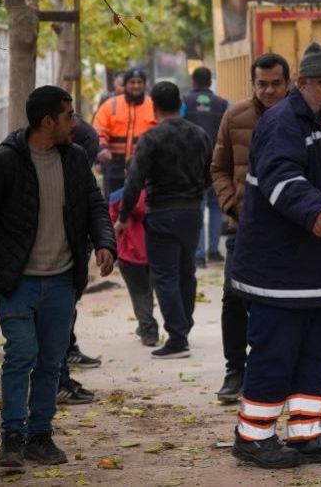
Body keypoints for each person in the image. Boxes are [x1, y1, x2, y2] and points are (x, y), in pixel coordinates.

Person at [0, 85, 116, 468]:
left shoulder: (76, 159)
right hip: (17, 282)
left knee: (51, 361)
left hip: (63, 281)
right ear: (48, 121)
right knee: (21, 355)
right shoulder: (3, 162)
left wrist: (104, 242)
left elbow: (94, 204)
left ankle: (40, 435)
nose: (75, 122)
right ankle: (11, 438)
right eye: (69, 115)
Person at [229, 42, 321, 469]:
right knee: (275, 355)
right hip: (281, 274)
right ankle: (252, 438)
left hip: (318, 271)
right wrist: (316, 208)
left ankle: (307, 435)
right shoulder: (283, 122)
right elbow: (281, 175)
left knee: (315, 357)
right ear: (302, 83)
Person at [210, 53, 291, 403]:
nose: (269, 91)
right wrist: (230, 203)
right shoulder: (235, 115)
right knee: (234, 297)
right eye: (262, 84)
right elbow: (219, 167)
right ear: (252, 83)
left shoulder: (302, 118)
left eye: (276, 84)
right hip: (243, 227)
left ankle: (283, 371)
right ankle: (235, 372)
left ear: (288, 83)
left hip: (289, 229)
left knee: (284, 303)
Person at [115, 81, 212, 359]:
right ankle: (184, 323)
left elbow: (134, 181)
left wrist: (123, 216)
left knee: (165, 275)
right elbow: (210, 173)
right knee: (186, 271)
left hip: (160, 212)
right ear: (180, 102)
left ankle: (177, 337)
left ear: (153, 105)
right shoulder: (200, 135)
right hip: (192, 212)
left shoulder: (150, 139)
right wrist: (193, 194)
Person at [54, 114, 104, 405]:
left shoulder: (74, 169)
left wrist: (101, 243)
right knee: (55, 323)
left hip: (68, 261)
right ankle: (57, 382)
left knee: (62, 318)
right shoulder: (52, 171)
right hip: (53, 265)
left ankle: (62, 376)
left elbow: (94, 208)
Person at [182, 66, 231, 268]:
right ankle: (214, 250)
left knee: (198, 207)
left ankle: (199, 255)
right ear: (210, 82)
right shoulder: (223, 104)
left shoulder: (184, 102)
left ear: (193, 81)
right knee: (216, 206)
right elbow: (230, 128)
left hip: (192, 163)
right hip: (217, 162)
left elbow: (178, 125)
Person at [93, 67, 157, 199]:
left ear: (145, 85)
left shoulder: (153, 106)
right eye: (132, 82)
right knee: (114, 207)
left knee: (143, 209)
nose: (136, 86)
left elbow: (161, 132)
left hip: (146, 168)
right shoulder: (111, 105)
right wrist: (103, 149)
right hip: (115, 168)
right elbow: (99, 130)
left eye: (139, 82)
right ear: (125, 84)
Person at [110, 185, 159, 347]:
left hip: (129, 254)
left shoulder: (117, 198)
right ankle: (144, 324)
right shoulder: (156, 195)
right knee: (147, 290)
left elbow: (111, 222)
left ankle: (148, 329)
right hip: (153, 250)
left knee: (139, 293)